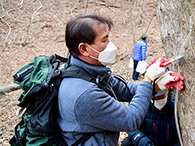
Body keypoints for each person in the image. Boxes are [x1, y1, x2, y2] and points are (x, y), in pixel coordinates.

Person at [57, 13, 184, 146]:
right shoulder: (83, 93)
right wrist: (148, 79)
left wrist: (157, 85)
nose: (111, 45)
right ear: (84, 49)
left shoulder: (91, 73)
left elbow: (125, 89)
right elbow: (131, 120)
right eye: (104, 40)